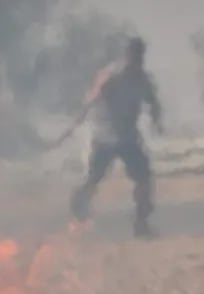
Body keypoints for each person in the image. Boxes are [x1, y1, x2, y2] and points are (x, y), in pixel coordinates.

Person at [55, 36, 164, 239]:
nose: (137, 59)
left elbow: (153, 100)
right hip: (105, 136)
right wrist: (71, 127)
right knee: (93, 179)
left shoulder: (142, 79)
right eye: (134, 54)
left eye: (140, 54)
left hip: (129, 138)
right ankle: (78, 216)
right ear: (127, 54)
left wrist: (157, 119)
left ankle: (141, 224)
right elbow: (90, 101)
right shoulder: (112, 76)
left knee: (144, 179)